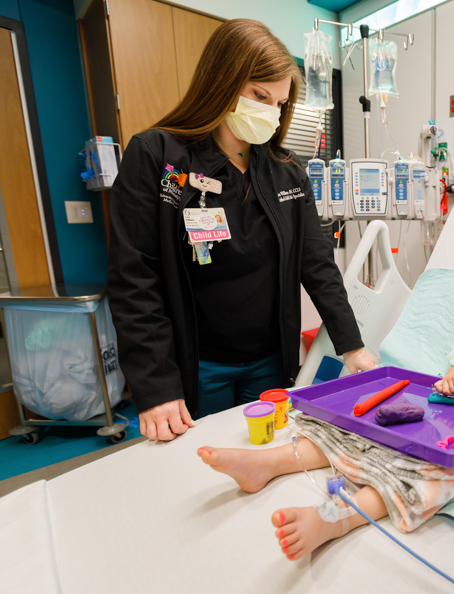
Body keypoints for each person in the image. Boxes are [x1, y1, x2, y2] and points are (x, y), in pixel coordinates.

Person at [197, 228, 454, 560]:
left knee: (428, 473)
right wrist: (452, 375)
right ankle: (273, 462)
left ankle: (335, 518)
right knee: (368, 431)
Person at [107, 19, 374, 442]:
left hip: (270, 361)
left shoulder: (287, 172)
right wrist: (155, 385)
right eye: (258, 95)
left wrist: (352, 345)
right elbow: (135, 278)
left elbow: (317, 263)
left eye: (280, 102)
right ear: (223, 81)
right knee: (203, 469)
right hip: (196, 365)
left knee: (264, 461)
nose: (269, 111)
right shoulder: (158, 156)